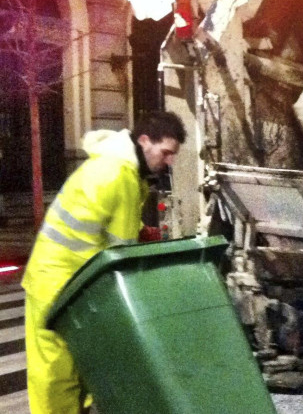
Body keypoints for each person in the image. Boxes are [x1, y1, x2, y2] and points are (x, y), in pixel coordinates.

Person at [22, 111, 186, 414]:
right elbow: (121, 254)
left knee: (72, 369)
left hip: (63, 279)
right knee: (57, 377)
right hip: (59, 285)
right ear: (145, 141)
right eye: (166, 152)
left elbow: (103, 222)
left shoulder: (114, 165)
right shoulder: (120, 175)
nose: (169, 161)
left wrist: (144, 232)